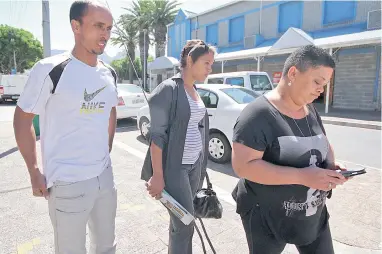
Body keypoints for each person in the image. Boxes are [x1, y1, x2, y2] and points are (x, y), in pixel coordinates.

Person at [13, 1, 118, 253]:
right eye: (98, 26)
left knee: (106, 247)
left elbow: (111, 111)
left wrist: (107, 149)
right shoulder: (51, 69)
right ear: (76, 26)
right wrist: (34, 170)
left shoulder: (109, 73)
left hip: (105, 178)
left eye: (109, 28)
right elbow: (22, 119)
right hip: (67, 183)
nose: (105, 34)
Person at [231, 45, 351, 254]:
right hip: (267, 216)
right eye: (317, 81)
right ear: (293, 73)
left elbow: (323, 142)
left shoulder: (310, 108)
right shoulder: (257, 114)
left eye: (324, 84)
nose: (321, 90)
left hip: (312, 213)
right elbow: (243, 167)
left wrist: (332, 165)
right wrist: (302, 176)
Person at [142, 40, 215, 254]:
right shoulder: (168, 90)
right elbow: (157, 137)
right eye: (206, 63)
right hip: (176, 169)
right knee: (185, 222)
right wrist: (157, 176)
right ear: (190, 60)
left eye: (211, 64)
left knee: (181, 222)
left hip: (194, 166)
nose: (210, 69)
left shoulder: (194, 90)